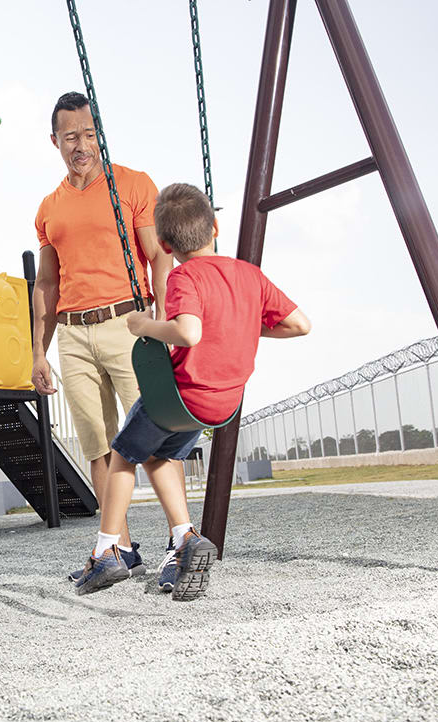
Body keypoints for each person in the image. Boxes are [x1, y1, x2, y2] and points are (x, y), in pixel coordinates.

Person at [72, 183, 311, 600]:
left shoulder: (185, 276)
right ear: (215, 225)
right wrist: (236, 326)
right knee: (159, 455)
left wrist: (144, 326)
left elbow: (187, 331)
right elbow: (299, 324)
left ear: (163, 243)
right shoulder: (249, 275)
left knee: (123, 455)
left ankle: (107, 548)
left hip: (181, 396)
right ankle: (185, 539)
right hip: (223, 404)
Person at [32, 91, 174, 579]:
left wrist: (166, 318)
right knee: (98, 445)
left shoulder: (132, 185)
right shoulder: (49, 208)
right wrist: (39, 352)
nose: (82, 145)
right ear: (55, 141)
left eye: (90, 134)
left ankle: (181, 538)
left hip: (128, 323)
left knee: (152, 438)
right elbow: (46, 284)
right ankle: (120, 552)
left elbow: (157, 255)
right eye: (71, 136)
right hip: (73, 335)